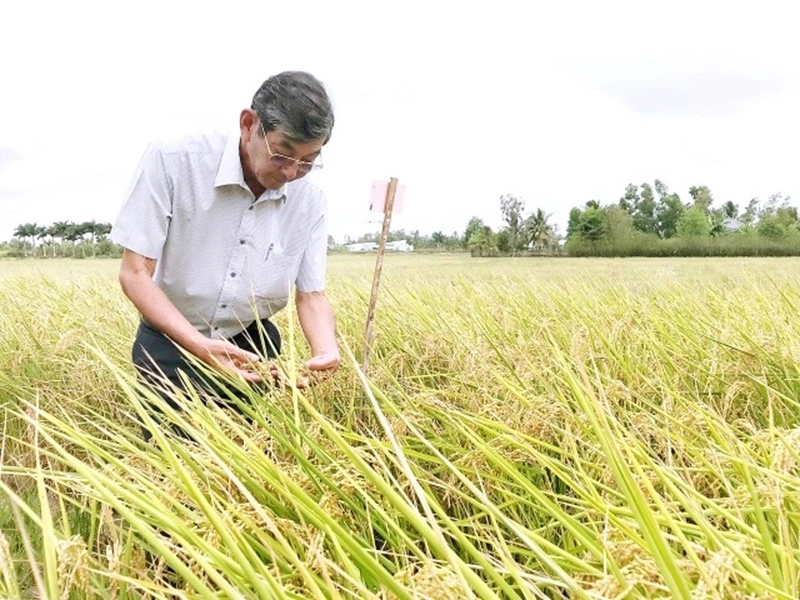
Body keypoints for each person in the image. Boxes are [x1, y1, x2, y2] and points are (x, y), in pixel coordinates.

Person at [110, 71, 340, 440]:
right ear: (249, 125)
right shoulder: (174, 162)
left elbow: (311, 294)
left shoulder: (309, 200)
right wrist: (200, 346)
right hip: (172, 341)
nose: (293, 172)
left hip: (252, 348)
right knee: (171, 465)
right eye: (283, 154)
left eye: (309, 160)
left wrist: (325, 349)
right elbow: (134, 273)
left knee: (244, 456)